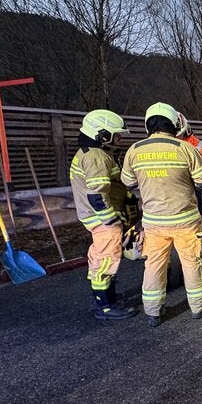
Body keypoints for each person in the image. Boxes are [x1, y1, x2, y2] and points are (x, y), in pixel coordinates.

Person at [121, 102, 202, 327]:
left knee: (154, 264)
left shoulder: (134, 150)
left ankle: (153, 312)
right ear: (174, 124)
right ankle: (199, 306)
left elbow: (128, 181)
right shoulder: (186, 149)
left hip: (153, 222)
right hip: (185, 221)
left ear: (147, 125)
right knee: (192, 262)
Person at [69, 109, 138, 320]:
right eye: (115, 134)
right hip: (103, 219)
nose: (118, 139)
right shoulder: (96, 156)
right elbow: (97, 196)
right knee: (106, 259)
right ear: (102, 134)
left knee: (103, 257)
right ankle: (105, 306)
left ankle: (109, 298)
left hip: (100, 217)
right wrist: (111, 219)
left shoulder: (92, 152)